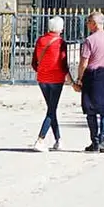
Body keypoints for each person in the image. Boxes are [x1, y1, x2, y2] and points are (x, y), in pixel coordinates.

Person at [76, 12, 104, 152]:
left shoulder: (89, 40)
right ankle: (103, 139)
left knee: (90, 109)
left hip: (92, 75)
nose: (87, 24)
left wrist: (79, 78)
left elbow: (84, 62)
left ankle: (95, 140)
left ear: (94, 23)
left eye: (88, 21)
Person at [33, 15, 73, 151]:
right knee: (51, 110)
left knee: (52, 108)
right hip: (56, 79)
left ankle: (58, 140)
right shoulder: (61, 42)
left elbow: (34, 62)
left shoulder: (40, 40)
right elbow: (63, 64)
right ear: (60, 28)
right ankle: (40, 139)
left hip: (42, 79)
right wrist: (72, 81)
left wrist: (41, 70)